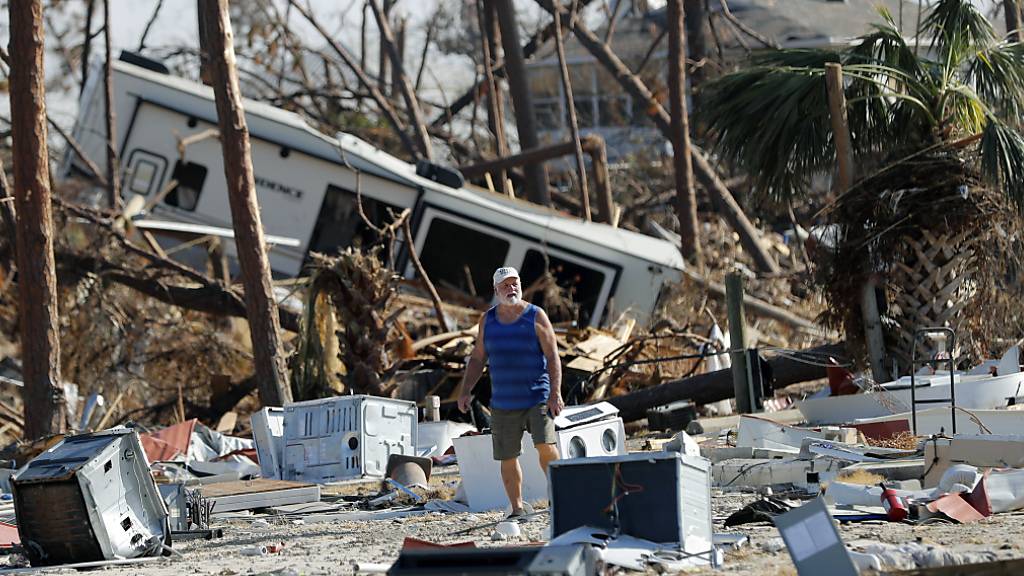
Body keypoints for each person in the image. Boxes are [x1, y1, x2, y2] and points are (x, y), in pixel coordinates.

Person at [457, 266, 564, 518]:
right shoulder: (488, 320)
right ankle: (516, 507)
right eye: (505, 285)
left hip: (537, 396)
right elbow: (477, 358)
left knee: (546, 446)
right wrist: (465, 391)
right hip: (503, 402)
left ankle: (559, 497)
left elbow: (552, 356)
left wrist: (555, 393)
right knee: (507, 456)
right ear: (496, 290)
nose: (511, 288)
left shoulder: (536, 316)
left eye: (514, 283)